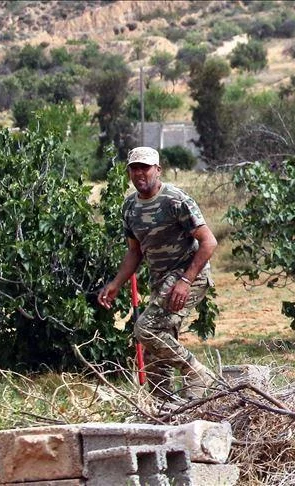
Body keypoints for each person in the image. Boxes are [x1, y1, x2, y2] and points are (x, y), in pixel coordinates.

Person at [98, 146, 218, 402]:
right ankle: (167, 410)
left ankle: (195, 372)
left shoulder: (175, 200)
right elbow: (135, 252)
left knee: (146, 329)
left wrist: (185, 281)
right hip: (161, 281)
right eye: (134, 168)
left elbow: (209, 242)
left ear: (158, 170)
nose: (140, 173)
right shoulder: (130, 207)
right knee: (153, 355)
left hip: (189, 276)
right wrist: (116, 284)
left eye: (145, 167)